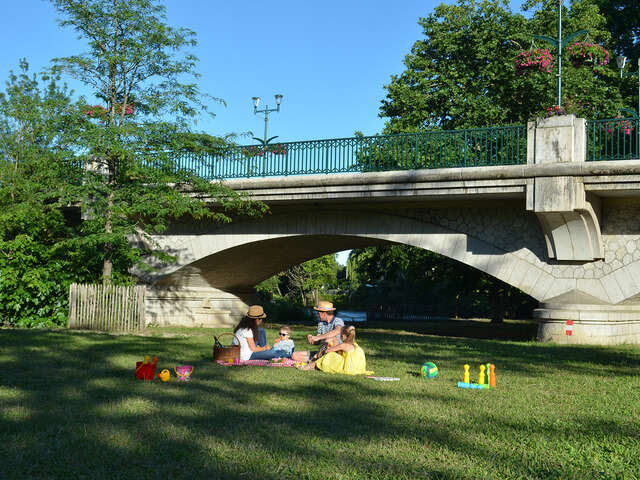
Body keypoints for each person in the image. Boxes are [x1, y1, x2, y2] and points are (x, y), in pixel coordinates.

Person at [297, 325, 373, 375]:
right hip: (358, 368)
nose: (340, 337)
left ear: (343, 336)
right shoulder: (355, 345)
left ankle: (309, 366)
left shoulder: (343, 345)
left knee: (330, 356)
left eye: (341, 336)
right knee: (333, 354)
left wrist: (327, 344)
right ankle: (313, 366)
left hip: (349, 369)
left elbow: (327, 351)